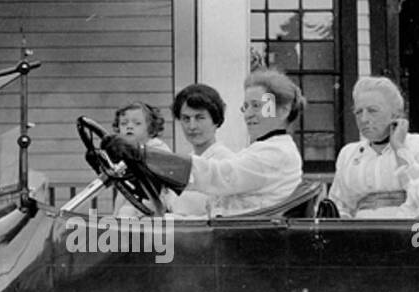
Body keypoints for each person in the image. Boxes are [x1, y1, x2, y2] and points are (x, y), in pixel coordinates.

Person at [102, 71, 303, 217]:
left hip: (242, 248)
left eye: (258, 106)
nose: (249, 114)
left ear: (283, 110)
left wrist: (145, 156)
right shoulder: (262, 149)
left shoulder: (275, 153)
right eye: (246, 106)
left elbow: (219, 175)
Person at [328, 76, 419, 218]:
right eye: (358, 112)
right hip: (362, 232)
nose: (364, 119)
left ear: (395, 113)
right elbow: (338, 204)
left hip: (410, 230)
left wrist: (399, 147)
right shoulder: (348, 153)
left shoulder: (418, 145)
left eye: (372, 110)